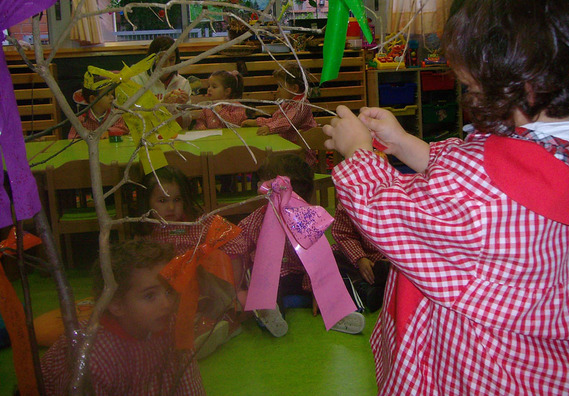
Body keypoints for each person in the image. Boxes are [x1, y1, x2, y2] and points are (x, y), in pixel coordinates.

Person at [323, 0, 569, 394]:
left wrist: (358, 153)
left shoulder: (479, 185)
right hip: (541, 359)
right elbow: (485, 164)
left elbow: (389, 216)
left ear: (519, 71)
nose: (464, 84)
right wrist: (406, 145)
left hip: (471, 366)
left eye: (470, 79)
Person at [222, 153, 364, 337]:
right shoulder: (260, 218)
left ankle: (343, 313)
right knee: (261, 287)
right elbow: (239, 243)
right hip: (275, 279)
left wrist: (319, 286)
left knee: (337, 276)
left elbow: (322, 259)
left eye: (264, 184)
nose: (260, 187)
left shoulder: (307, 219)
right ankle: (269, 312)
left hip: (305, 278)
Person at [40, 240, 206, 396]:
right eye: (149, 296)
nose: (167, 304)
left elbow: (189, 387)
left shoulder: (172, 328)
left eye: (169, 291)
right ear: (116, 305)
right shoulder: (96, 356)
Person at [135, 165, 242, 358]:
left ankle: (220, 321)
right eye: (162, 200)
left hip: (204, 288)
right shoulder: (148, 234)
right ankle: (202, 329)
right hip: (171, 292)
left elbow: (232, 236)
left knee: (211, 264)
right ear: (147, 203)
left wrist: (221, 262)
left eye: (177, 200)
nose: (170, 207)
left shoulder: (196, 223)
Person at [331, 204, 390, 313]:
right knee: (332, 257)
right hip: (357, 256)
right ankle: (364, 289)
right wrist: (359, 258)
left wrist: (393, 259)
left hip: (387, 256)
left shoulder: (397, 199)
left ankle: (385, 282)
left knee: (400, 269)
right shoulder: (347, 203)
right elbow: (344, 234)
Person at [241, 61, 317, 142]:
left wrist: (269, 128)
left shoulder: (302, 105)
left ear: (295, 88)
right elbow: (275, 120)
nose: (278, 90)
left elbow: (288, 123)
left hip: (301, 151)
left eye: (281, 86)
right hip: (288, 146)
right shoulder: (287, 104)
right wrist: (256, 122)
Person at [69, 72, 129, 140]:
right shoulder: (81, 119)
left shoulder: (116, 115)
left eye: (112, 94)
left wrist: (109, 132)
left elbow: (123, 129)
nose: (112, 97)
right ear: (92, 99)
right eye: (107, 94)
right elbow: (72, 139)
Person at [134, 36, 191, 105]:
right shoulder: (138, 81)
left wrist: (183, 107)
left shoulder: (183, 84)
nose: (168, 65)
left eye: (171, 60)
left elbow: (188, 115)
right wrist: (163, 104)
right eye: (162, 60)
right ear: (152, 59)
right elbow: (133, 112)